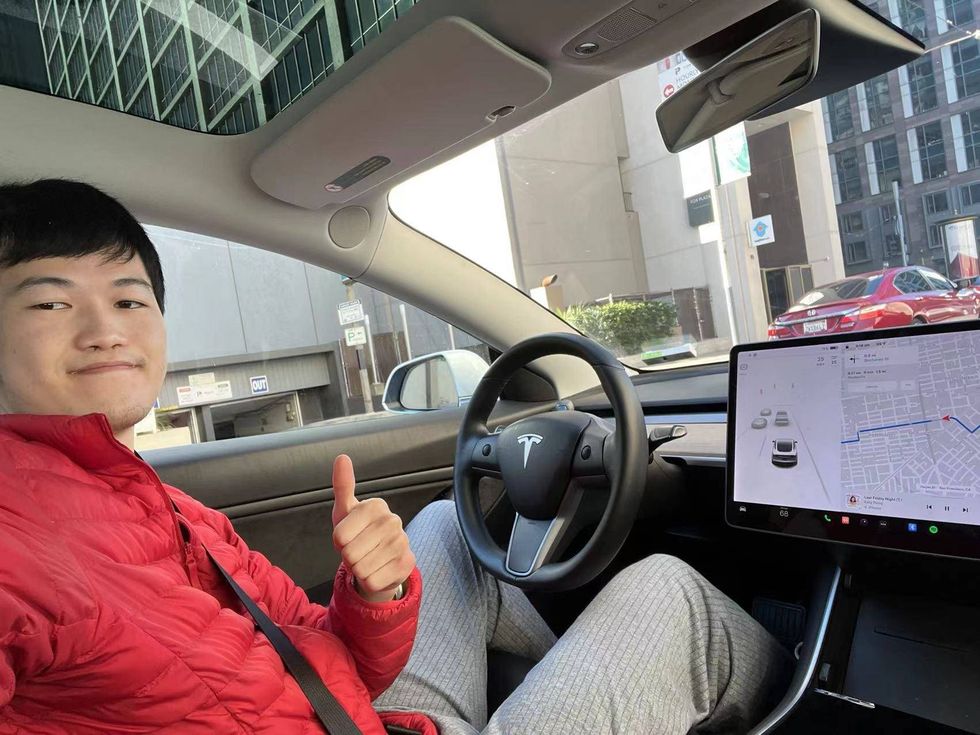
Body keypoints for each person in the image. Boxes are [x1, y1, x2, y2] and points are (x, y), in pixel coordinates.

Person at [0, 179, 790, 735]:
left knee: (445, 525)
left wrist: (373, 592)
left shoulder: (166, 504)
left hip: (358, 715)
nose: (106, 328)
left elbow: (322, 648)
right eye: (50, 301)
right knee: (667, 595)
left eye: (131, 298)